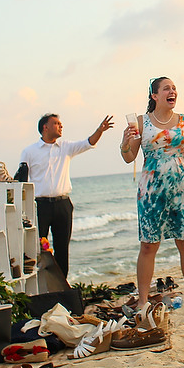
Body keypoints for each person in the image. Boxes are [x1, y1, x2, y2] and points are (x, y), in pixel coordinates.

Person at [120, 77, 184, 310]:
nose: (172, 91)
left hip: (181, 186)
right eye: (166, 88)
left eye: (174, 88)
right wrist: (125, 143)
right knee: (148, 244)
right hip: (151, 190)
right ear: (154, 96)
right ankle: (144, 299)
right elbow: (129, 157)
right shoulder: (141, 121)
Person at [19, 112, 114, 277]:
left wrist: (100, 130)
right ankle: (42, 281)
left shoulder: (66, 147)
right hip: (40, 206)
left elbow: (88, 142)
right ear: (45, 127)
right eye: (56, 123)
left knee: (62, 248)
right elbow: (22, 179)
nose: (61, 126)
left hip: (62, 204)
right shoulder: (29, 151)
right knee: (38, 246)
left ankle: (62, 284)